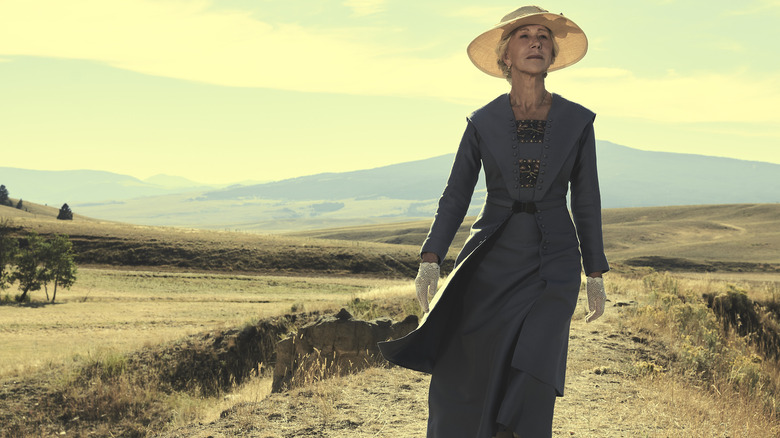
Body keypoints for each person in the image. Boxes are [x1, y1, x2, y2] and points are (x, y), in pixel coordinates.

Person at [378, 6, 609, 438]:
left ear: (553, 53)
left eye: (544, 36)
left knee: (535, 369)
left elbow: (587, 200)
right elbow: (457, 193)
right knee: (472, 368)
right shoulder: (482, 122)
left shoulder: (578, 121)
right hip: (491, 261)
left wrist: (594, 271)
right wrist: (431, 258)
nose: (537, 42)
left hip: (554, 266)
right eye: (525, 36)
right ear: (506, 56)